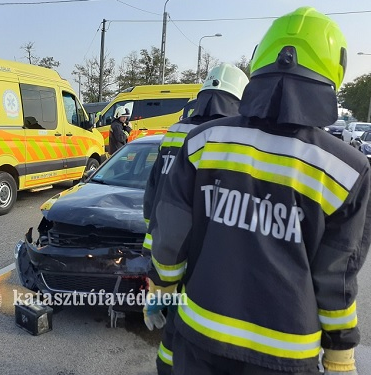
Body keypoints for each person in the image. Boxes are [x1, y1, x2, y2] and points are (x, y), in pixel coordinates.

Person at [148, 6, 370, 375]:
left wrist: (161, 286)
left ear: (260, 60)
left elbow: (171, 232)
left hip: (200, 334)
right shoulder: (346, 170)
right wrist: (340, 352)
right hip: (285, 353)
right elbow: (337, 275)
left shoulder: (204, 142)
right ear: (335, 70)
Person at [142, 62, 249, 375]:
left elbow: (152, 192)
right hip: (203, 255)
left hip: (161, 247)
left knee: (172, 329)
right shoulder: (231, 137)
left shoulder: (176, 130)